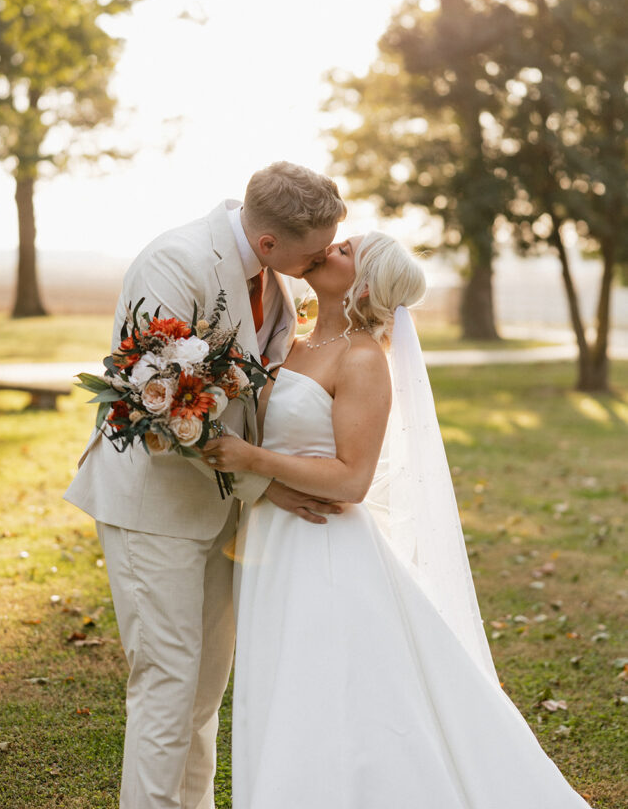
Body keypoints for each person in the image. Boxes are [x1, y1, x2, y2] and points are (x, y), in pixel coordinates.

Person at [204, 231, 595, 809]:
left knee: (322, 691)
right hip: (275, 537)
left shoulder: (363, 358)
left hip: (325, 550)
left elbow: (352, 481)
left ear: (361, 285)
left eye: (343, 251)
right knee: (283, 684)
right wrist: (262, 481)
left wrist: (252, 461)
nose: (328, 249)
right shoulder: (295, 340)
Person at [63, 162, 347, 809]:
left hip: (222, 510)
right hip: (153, 504)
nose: (326, 256)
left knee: (202, 690)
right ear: (270, 243)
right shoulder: (175, 262)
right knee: (167, 680)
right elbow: (160, 406)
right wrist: (263, 485)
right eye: (319, 249)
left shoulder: (272, 276)